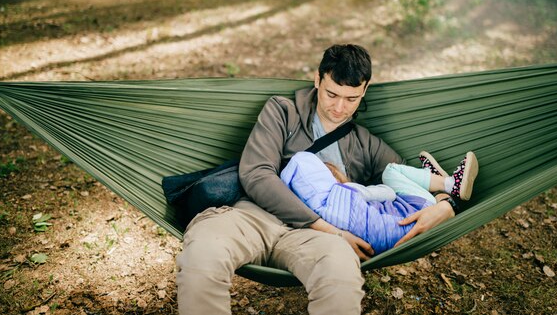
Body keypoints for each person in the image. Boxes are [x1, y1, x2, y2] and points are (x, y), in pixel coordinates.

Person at [175, 44, 458, 315]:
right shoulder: (283, 112)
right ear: (317, 80)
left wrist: (446, 204)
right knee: (204, 249)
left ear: (364, 90)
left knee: (340, 276)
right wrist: (328, 228)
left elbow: (413, 178)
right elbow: (257, 174)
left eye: (351, 99)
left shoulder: (367, 144)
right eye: (331, 94)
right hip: (259, 217)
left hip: (318, 240)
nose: (339, 108)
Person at [280, 150, 479, 254]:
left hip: (382, 244)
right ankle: (449, 184)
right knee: (391, 172)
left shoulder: (312, 214)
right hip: (418, 213)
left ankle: (433, 182)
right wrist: (355, 185)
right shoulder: (348, 191)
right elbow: (388, 193)